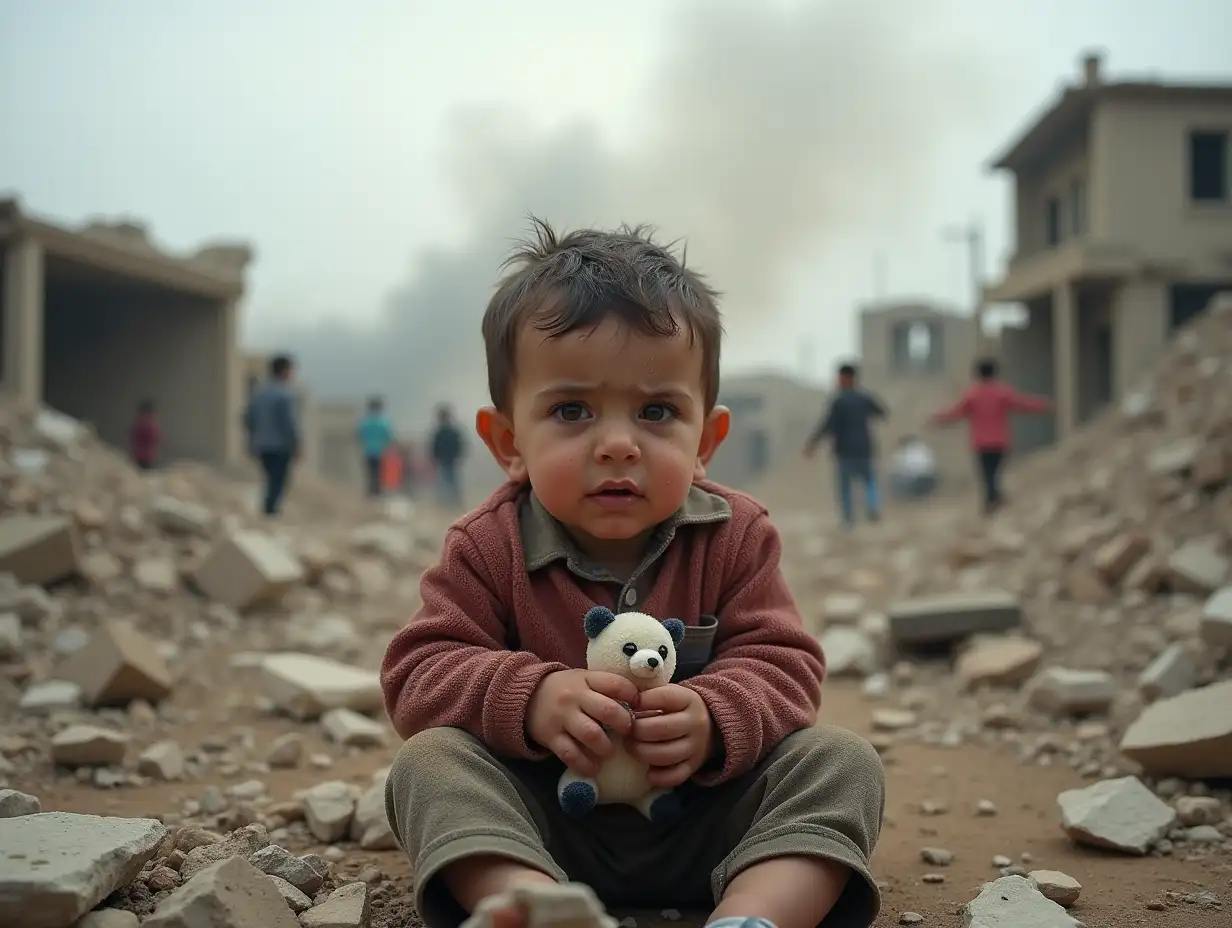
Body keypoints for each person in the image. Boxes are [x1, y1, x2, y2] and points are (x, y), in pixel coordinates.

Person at [379, 219, 885, 928]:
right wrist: (532, 697)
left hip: (708, 826)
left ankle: (753, 916)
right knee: (430, 765)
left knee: (842, 762)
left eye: (656, 411)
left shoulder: (736, 536)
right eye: (572, 410)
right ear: (508, 442)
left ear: (706, 440)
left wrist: (714, 716)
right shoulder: (488, 546)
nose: (617, 445)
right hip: (546, 822)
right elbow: (418, 671)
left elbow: (786, 665)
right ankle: (527, 904)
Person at [929, 357, 1050, 514]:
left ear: (977, 374)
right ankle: (993, 501)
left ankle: (992, 502)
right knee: (994, 474)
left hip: (981, 444)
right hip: (1000, 442)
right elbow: (1022, 403)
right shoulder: (1002, 392)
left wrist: (936, 419)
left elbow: (954, 413)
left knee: (987, 475)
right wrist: (1043, 405)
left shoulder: (973, 395)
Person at [802, 363, 887, 528]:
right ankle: (873, 507)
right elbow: (883, 412)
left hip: (845, 451)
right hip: (864, 448)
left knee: (845, 487)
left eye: (840, 377)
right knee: (869, 481)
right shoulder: (865, 398)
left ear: (846, 378)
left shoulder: (839, 401)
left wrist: (812, 443)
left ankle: (848, 520)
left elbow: (827, 425)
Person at [243, 354, 299, 516]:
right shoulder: (285, 394)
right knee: (278, 480)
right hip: (280, 445)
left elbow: (248, 418)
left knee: (270, 478)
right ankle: (270, 511)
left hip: (262, 444)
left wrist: (254, 437)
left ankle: (268, 509)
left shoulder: (258, 393)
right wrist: (295, 443)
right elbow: (288, 422)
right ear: (284, 371)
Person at [428, 403, 466, 508]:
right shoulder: (446, 431)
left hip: (449, 460)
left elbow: (460, 445)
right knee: (446, 482)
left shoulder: (445, 432)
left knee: (449, 482)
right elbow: (434, 447)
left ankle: (453, 502)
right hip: (445, 460)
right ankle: (447, 503)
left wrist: (434, 457)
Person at [358, 396, 395, 498]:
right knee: (380, 475)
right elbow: (389, 437)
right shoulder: (384, 422)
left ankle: (370, 493)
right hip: (381, 453)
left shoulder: (365, 422)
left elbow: (359, 435)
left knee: (370, 474)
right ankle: (378, 494)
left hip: (368, 452)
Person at [889, 434, 937, 500]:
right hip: (930, 481)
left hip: (915, 483)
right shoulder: (924, 448)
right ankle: (926, 494)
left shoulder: (902, 453)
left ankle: (908, 497)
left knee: (894, 477)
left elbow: (896, 470)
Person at [128, 399, 161, 471]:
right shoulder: (151, 423)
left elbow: (132, 436)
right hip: (148, 456)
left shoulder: (138, 422)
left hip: (136, 454)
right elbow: (155, 438)